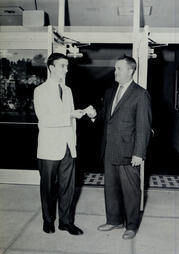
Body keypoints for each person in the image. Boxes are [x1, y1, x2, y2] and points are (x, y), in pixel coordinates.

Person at [87, 55, 152, 240]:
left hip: (129, 152)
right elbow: (105, 118)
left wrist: (139, 153)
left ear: (130, 71)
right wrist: (93, 115)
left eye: (118, 69)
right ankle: (114, 220)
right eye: (115, 68)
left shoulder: (140, 94)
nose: (115, 72)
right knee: (111, 188)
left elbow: (143, 127)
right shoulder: (110, 92)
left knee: (131, 191)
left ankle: (131, 225)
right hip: (109, 149)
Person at [33, 52, 85, 235]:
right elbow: (44, 120)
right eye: (63, 65)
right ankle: (48, 221)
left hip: (68, 147)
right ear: (52, 68)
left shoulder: (68, 90)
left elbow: (71, 121)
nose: (66, 69)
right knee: (47, 187)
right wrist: (69, 115)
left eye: (67, 65)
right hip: (48, 148)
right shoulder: (40, 91)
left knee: (68, 187)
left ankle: (65, 221)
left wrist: (74, 142)